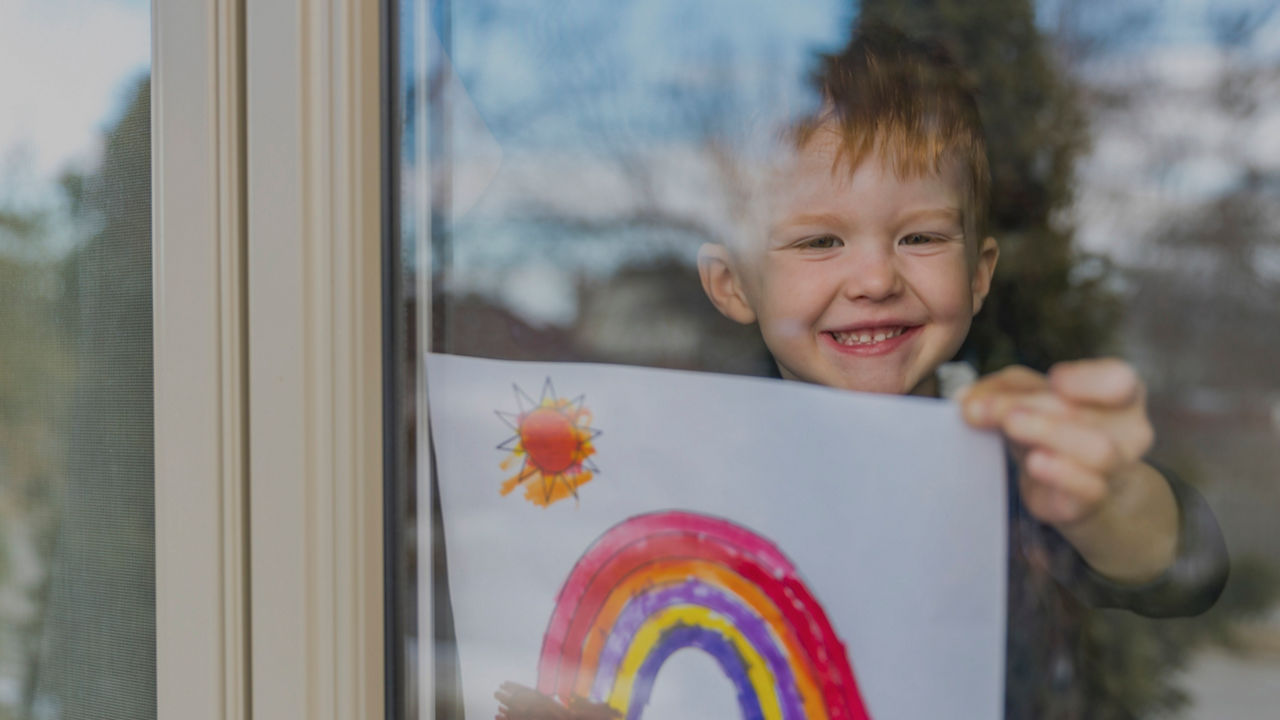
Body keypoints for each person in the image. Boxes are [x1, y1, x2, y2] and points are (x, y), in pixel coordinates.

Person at [495, 23, 1228, 720]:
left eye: (921, 237)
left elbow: (1184, 571)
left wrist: (1108, 499)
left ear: (979, 274)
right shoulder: (695, 477)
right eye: (819, 242)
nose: (875, 279)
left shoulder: (1013, 457)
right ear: (733, 285)